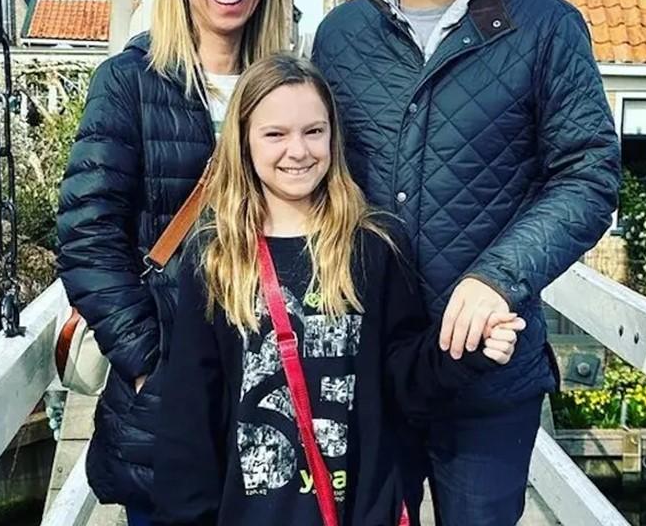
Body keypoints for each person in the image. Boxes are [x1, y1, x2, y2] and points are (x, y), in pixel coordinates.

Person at [311, 0, 622, 525]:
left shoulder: (544, 27)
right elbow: (310, 175)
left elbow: (587, 175)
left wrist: (498, 275)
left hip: (489, 368)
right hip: (371, 365)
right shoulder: (342, 37)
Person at [151, 53, 525, 526]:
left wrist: (468, 349)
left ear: (333, 134)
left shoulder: (374, 247)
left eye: (314, 131)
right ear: (243, 141)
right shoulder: (215, 259)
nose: (299, 151)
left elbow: (403, 378)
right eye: (275, 134)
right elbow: (191, 419)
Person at [56, 0, 289, 525]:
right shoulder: (131, 83)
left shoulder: (289, 87)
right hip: (171, 383)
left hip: (272, 379)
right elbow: (88, 233)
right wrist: (146, 364)